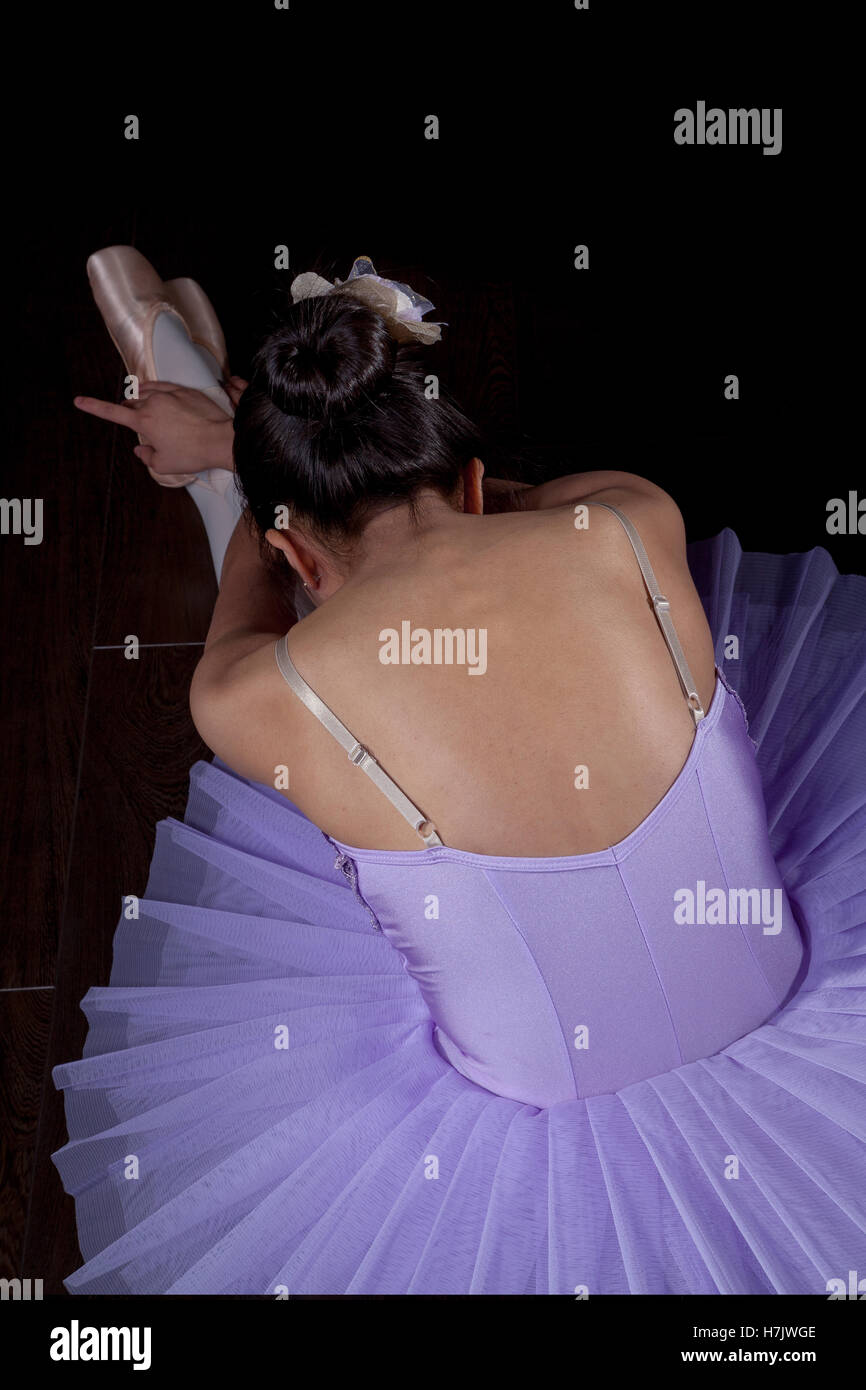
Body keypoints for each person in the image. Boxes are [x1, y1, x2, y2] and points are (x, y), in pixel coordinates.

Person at [52, 253, 866, 1295]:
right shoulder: (627, 518)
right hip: (798, 1004)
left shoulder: (245, 700)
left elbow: (247, 611)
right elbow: (520, 516)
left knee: (320, 693)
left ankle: (215, 417)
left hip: (534, 1112)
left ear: (294, 553)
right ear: (474, 482)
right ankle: (236, 421)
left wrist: (251, 476)